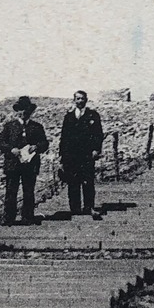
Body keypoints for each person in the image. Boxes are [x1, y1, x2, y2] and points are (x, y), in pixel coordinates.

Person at [0, 95, 49, 225]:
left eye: (26, 109)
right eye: (21, 109)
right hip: (13, 164)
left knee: (29, 190)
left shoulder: (37, 127)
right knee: (11, 191)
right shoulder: (10, 126)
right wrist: (11, 149)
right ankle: (9, 218)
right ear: (17, 111)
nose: (24, 112)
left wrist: (36, 147)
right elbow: (0, 143)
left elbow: (44, 143)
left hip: (30, 164)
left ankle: (27, 216)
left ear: (30, 111)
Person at [58, 89, 105, 218]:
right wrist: (62, 155)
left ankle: (89, 207)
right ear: (74, 100)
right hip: (71, 155)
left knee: (87, 181)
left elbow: (98, 134)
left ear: (86, 100)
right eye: (77, 99)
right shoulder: (69, 117)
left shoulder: (93, 115)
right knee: (73, 181)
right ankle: (75, 208)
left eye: (82, 98)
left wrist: (96, 149)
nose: (80, 101)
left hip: (86, 154)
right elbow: (64, 137)